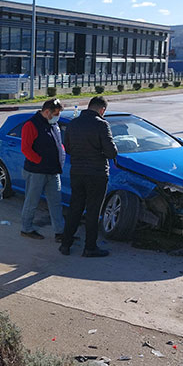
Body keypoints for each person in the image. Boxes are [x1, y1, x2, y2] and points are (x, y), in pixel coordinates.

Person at [60, 96, 118, 257]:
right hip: (97, 174)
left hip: (77, 172)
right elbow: (111, 152)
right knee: (93, 211)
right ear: (102, 110)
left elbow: (69, 148)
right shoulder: (102, 125)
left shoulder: (73, 123)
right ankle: (90, 248)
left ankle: (65, 244)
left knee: (75, 208)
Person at [20, 99, 66, 241]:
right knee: (31, 202)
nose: (57, 117)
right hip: (36, 172)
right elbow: (26, 149)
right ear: (47, 112)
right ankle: (26, 229)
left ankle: (60, 232)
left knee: (56, 202)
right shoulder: (31, 125)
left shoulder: (53, 124)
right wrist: (40, 161)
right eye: (55, 114)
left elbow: (58, 144)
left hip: (53, 171)